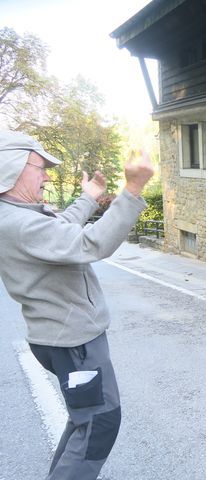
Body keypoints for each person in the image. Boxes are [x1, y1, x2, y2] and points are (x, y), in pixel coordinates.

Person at [0, 129, 154, 479]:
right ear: (11, 168)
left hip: (61, 340)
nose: (46, 176)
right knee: (99, 424)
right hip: (74, 344)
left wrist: (89, 197)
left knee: (85, 418)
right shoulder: (19, 222)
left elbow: (60, 231)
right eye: (39, 167)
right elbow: (92, 243)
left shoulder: (16, 215)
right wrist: (132, 191)